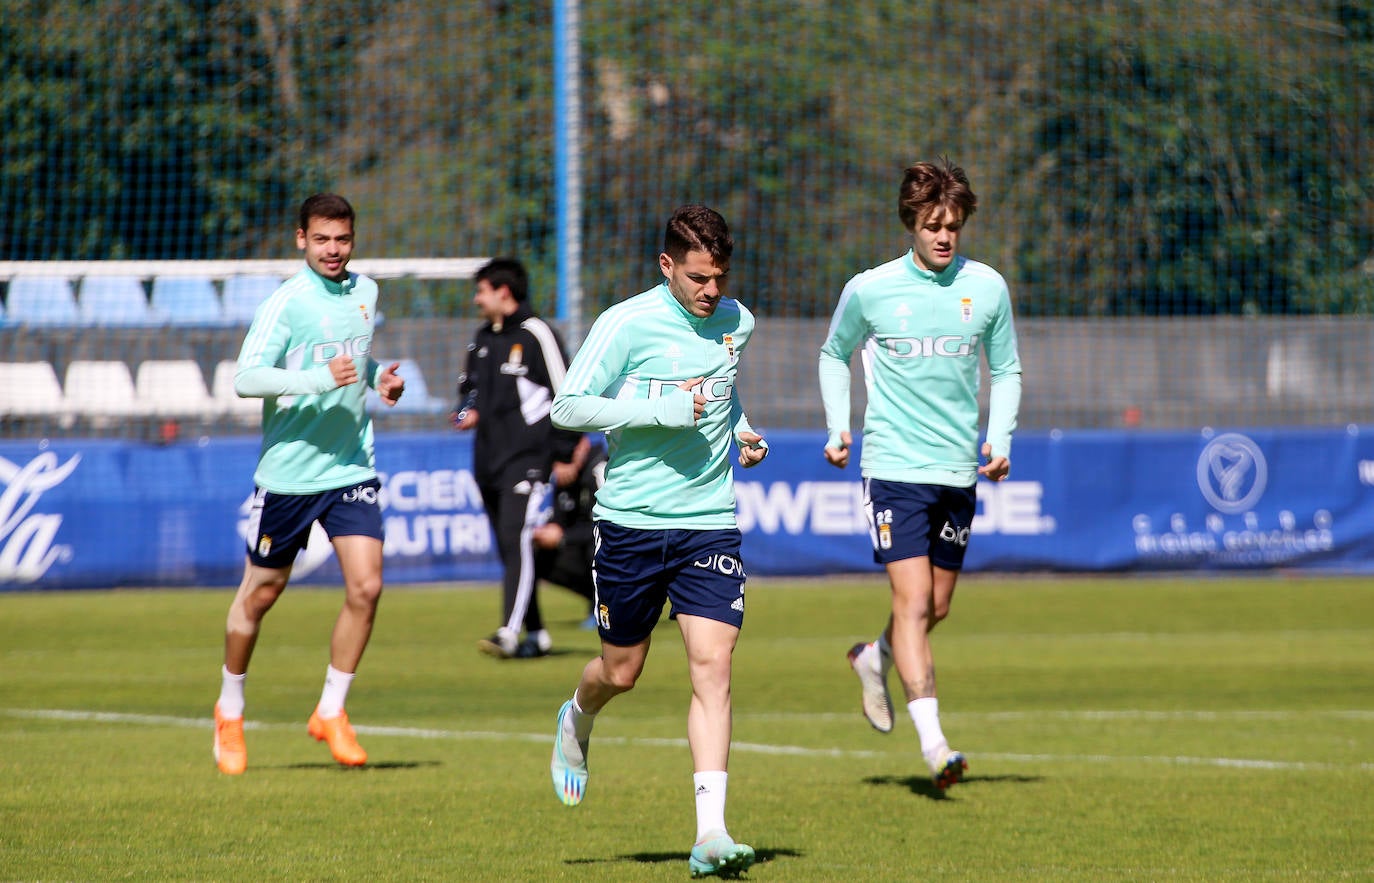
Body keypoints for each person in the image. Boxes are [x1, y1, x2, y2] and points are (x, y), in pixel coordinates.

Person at [547, 204, 767, 879]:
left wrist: (742, 432)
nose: (711, 292)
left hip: (708, 519)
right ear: (667, 265)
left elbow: (724, 397)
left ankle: (710, 832)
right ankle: (577, 718)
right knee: (622, 671)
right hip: (632, 523)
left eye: (720, 278)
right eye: (698, 278)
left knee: (714, 664)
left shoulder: (737, 322)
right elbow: (567, 407)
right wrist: (656, 410)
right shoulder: (626, 322)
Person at [818, 158, 1022, 791]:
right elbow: (833, 353)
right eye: (933, 225)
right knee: (910, 603)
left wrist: (1000, 438)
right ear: (911, 222)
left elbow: (1008, 369)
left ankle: (871, 657)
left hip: (958, 469)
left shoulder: (986, 288)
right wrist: (837, 425)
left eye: (953, 226)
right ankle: (936, 746)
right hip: (894, 467)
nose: (943, 237)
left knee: (935, 606)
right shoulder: (871, 289)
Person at [212, 193, 406, 775]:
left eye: (341, 239)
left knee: (366, 587)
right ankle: (229, 707)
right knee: (261, 595)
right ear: (301, 239)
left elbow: (357, 359)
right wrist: (317, 379)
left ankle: (331, 710)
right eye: (321, 239)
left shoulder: (367, 293)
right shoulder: (286, 303)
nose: (333, 250)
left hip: (350, 466)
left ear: (353, 239)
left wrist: (379, 380)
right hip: (289, 476)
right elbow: (248, 378)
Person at [452, 257, 582, 659]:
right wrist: (466, 412)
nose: (477, 300)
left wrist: (563, 453)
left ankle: (508, 633)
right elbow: (468, 391)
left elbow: (569, 393)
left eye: (481, 291)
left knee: (517, 537)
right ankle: (538, 634)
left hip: (528, 459)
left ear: (502, 292)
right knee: (511, 549)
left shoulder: (536, 334)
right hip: (487, 461)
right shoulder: (481, 339)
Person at [531, 434, 607, 629]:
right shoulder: (563, 477)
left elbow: (608, 523)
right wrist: (552, 530)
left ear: (582, 447)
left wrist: (563, 536)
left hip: (614, 544)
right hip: (581, 543)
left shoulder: (600, 468)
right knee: (535, 554)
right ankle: (532, 625)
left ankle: (604, 605)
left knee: (598, 543)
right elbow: (562, 517)